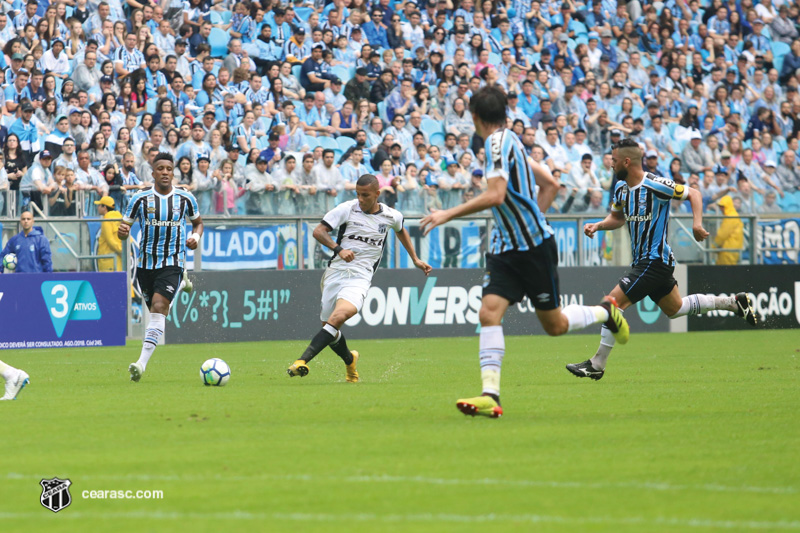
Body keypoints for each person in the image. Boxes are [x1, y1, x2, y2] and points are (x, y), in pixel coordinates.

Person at [420, 86, 630, 418]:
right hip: (506, 249)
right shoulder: (512, 140)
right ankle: (491, 395)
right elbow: (550, 184)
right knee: (489, 313)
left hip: (533, 249)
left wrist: (447, 213)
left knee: (555, 325)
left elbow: (496, 195)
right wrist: (526, 221)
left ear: (474, 117)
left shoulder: (495, 144)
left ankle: (607, 312)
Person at [572, 139, 757, 381]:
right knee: (675, 308)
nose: (611, 165)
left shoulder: (656, 184)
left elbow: (694, 193)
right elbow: (618, 218)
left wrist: (697, 224)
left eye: (614, 160)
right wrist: (598, 225)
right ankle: (733, 304)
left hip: (655, 260)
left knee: (611, 305)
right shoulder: (620, 188)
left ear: (626, 161)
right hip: (643, 262)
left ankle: (597, 364)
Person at [286, 174, 432, 382]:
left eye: (365, 195)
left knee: (338, 317)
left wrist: (415, 259)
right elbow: (319, 231)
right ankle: (350, 361)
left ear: (377, 194)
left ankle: (302, 361)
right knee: (329, 327)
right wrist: (339, 249)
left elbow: (401, 231)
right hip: (335, 273)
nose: (361, 199)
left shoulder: (392, 216)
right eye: (358, 194)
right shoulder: (347, 209)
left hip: (360, 277)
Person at [119, 153, 203, 382]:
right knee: (155, 309)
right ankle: (183, 281)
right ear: (153, 173)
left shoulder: (185, 198)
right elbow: (123, 228)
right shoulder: (140, 198)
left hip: (173, 260)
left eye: (169, 168)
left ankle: (140, 364)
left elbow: (198, 223)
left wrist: (195, 237)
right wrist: (122, 233)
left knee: (159, 307)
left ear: (173, 172)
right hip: (146, 265)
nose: (165, 172)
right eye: (161, 168)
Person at [94, 195, 123, 271]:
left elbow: (110, 240)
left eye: (99, 205)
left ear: (104, 207)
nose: (98, 208)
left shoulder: (106, 220)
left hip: (107, 259)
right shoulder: (119, 217)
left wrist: (122, 251)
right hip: (118, 258)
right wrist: (125, 251)